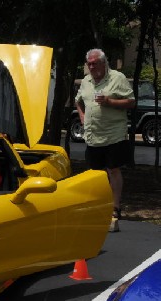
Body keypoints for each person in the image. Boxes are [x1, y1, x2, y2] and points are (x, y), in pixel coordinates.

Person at [75, 48, 135, 232]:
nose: (92, 67)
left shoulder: (117, 78)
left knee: (113, 169)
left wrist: (110, 102)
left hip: (113, 134)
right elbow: (78, 100)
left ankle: (115, 209)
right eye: (89, 64)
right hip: (93, 135)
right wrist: (82, 115)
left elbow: (131, 102)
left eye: (95, 63)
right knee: (95, 173)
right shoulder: (86, 81)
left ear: (104, 63)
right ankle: (97, 209)